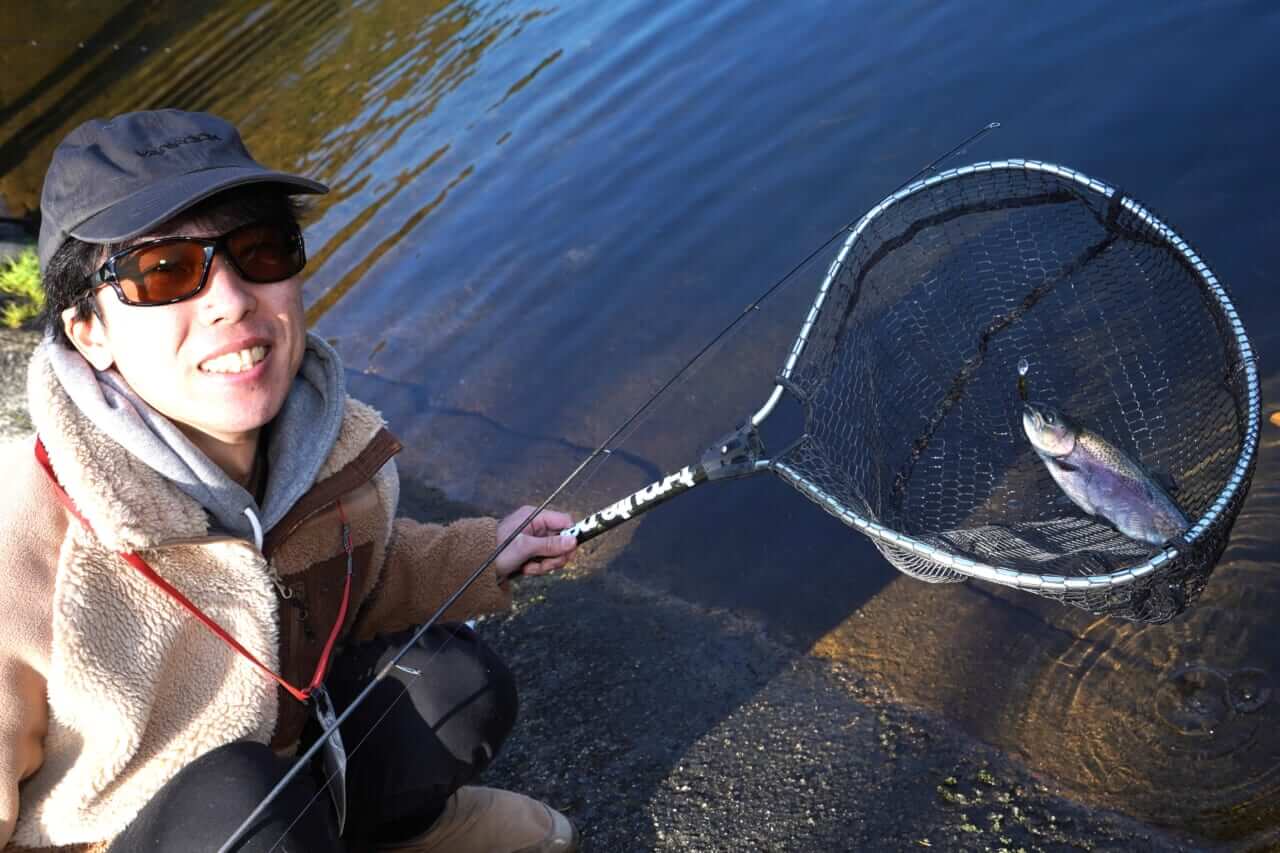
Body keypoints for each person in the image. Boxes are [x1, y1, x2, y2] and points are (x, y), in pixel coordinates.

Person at [0, 109, 580, 853]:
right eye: (166, 270)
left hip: (294, 779)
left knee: (457, 685)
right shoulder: (25, 525)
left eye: (260, 249)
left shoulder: (328, 447)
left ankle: (389, 830)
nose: (233, 298)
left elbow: (356, 583)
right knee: (238, 800)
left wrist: (480, 554)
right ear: (90, 332)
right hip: (157, 831)